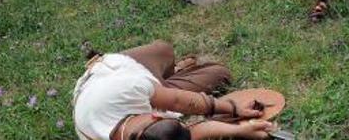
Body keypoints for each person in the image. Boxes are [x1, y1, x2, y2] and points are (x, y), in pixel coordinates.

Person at [72, 40, 274, 140]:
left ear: (155, 117)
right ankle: (170, 81)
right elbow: (188, 134)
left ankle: (174, 71)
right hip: (145, 90)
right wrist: (238, 130)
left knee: (164, 49)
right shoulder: (145, 133)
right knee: (219, 73)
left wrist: (232, 108)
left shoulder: (131, 85)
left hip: (118, 67)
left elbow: (178, 101)